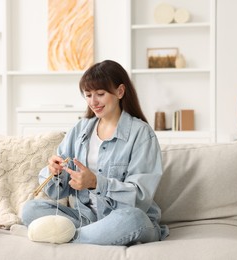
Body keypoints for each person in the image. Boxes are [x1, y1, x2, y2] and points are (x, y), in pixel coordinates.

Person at [21, 60, 169, 245]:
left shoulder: (141, 134)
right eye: (88, 95)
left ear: (120, 92)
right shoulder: (80, 129)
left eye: (100, 94)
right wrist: (55, 173)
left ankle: (71, 238)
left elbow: (140, 198)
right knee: (31, 209)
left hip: (123, 218)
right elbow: (57, 190)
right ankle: (94, 236)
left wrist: (95, 183)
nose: (93, 102)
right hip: (85, 218)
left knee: (132, 219)